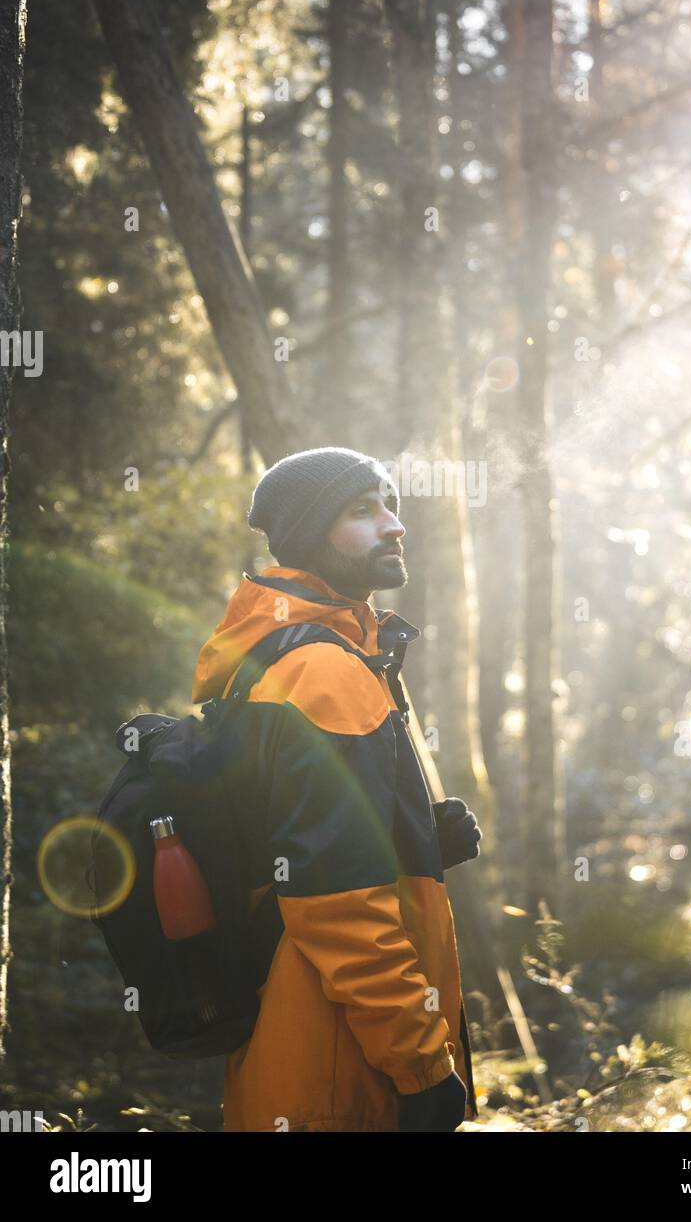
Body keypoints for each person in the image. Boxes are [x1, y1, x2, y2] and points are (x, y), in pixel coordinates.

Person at [191, 447, 481, 1132]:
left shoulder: (296, 654)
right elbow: (336, 902)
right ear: (311, 534)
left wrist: (412, 838)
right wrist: (420, 1067)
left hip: (302, 1043)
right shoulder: (324, 671)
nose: (393, 525)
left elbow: (290, 840)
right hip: (344, 1071)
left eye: (391, 504)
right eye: (362, 511)